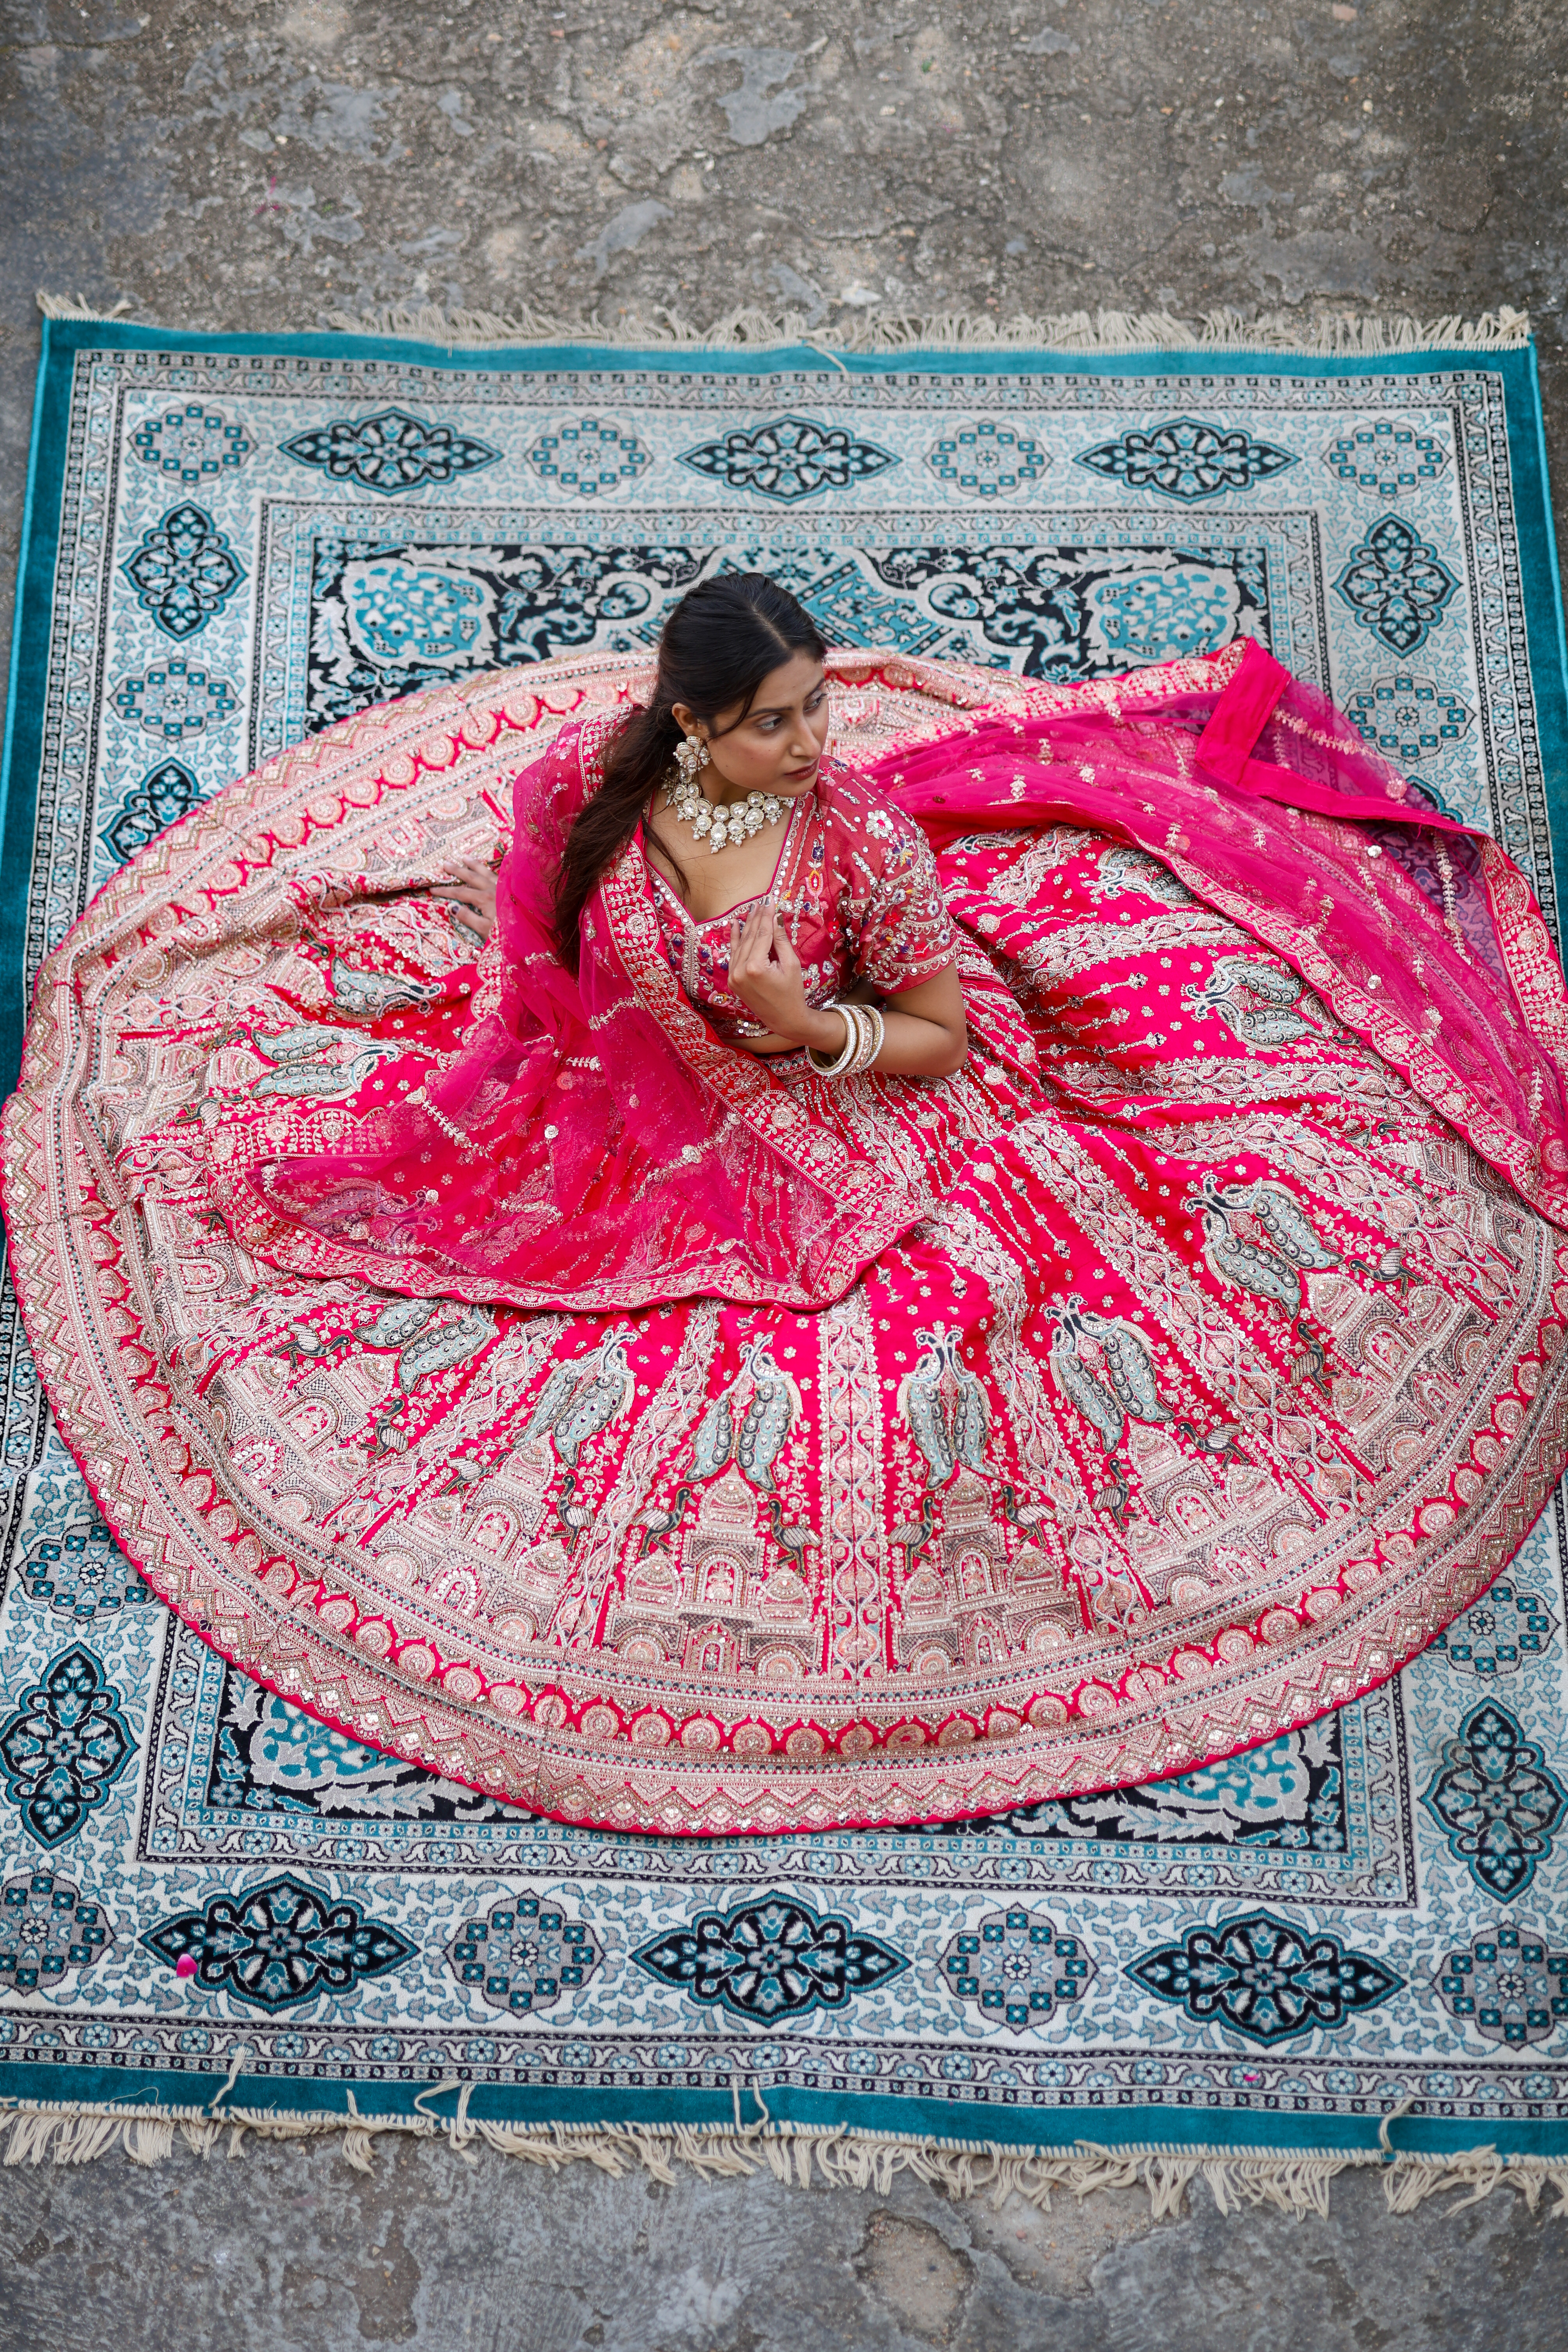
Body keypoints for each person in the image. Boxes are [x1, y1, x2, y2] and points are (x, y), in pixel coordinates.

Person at [29, 574, 1568, 1834]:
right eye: (777, 722)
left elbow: (938, 1038)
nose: (817, 740)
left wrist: (799, 1029)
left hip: (863, 1122)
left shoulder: (866, 847)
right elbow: (528, 955)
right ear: (688, 724)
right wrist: (557, 1071)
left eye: (821, 706)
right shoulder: (580, 787)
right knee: (331, 1198)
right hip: (607, 1110)